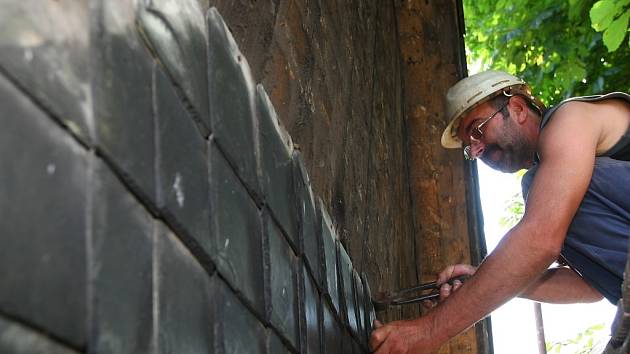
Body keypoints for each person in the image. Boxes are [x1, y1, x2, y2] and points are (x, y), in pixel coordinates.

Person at [369, 70, 630, 353]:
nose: (476, 149)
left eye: (477, 130)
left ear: (517, 108)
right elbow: (591, 285)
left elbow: (540, 239)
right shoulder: (556, 185)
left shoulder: (570, 121)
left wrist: (427, 332)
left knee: (538, 192)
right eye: (470, 148)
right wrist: (483, 282)